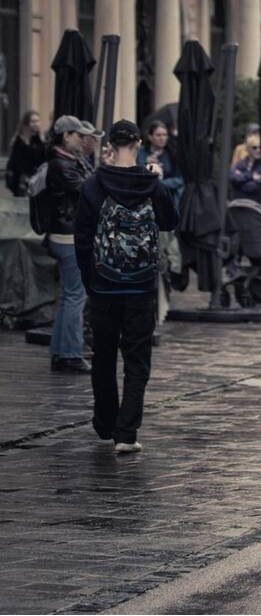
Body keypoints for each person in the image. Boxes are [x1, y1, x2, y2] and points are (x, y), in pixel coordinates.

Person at [73, 120, 178, 453]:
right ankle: (127, 434)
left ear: (110, 146)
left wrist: (90, 279)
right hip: (141, 285)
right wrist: (158, 178)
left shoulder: (93, 184)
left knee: (103, 356)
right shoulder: (151, 184)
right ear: (138, 144)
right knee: (137, 360)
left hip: (104, 284)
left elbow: (82, 237)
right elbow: (170, 221)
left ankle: (105, 423)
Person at [44, 115, 97, 373]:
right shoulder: (62, 164)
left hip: (64, 234)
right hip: (68, 236)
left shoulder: (66, 161)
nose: (83, 140)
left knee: (68, 296)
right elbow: (88, 191)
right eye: (78, 135)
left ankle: (61, 351)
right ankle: (71, 354)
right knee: (76, 296)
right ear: (66, 137)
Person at [137, 120, 184, 206]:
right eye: (158, 135)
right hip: (144, 194)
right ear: (150, 137)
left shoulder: (172, 153)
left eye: (165, 135)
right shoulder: (141, 152)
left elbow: (180, 179)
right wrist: (145, 163)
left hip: (167, 195)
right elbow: (134, 172)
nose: (162, 138)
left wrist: (161, 183)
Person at [6, 110, 47, 196]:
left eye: (38, 121)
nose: (36, 124)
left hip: (35, 179)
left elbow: (42, 159)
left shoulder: (38, 139)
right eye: (33, 121)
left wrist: (43, 142)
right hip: (21, 180)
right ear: (27, 124)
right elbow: (18, 163)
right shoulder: (19, 141)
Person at [228, 132, 261, 199]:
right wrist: (251, 176)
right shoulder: (242, 163)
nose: (258, 150)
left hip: (255, 202)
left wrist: (241, 178)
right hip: (238, 201)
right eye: (254, 147)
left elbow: (252, 187)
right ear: (248, 149)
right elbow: (232, 177)